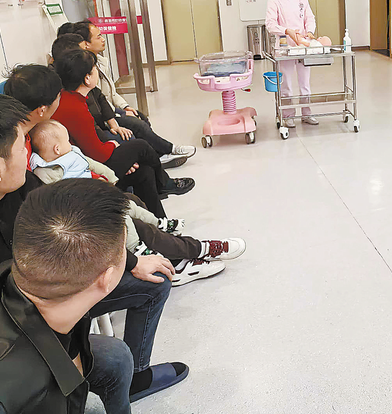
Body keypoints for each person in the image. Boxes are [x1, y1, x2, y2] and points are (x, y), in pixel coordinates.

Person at [0, 91, 188, 403]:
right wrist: (61, 352)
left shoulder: (19, 186)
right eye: (21, 147)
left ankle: (135, 379)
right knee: (112, 363)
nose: (28, 155)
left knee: (153, 283)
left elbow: (73, 223)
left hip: (54, 303)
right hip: (4, 354)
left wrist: (130, 261)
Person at [0, 179, 147, 414]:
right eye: (124, 250)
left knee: (114, 359)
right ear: (107, 279)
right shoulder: (19, 403)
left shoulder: (12, 278)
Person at [29, 119, 246, 286]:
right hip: (84, 215)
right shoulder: (44, 171)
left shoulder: (57, 148)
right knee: (134, 221)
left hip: (96, 195)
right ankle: (192, 254)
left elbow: (93, 160)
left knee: (135, 194)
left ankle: (169, 239)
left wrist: (109, 179)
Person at [52, 49, 194, 218]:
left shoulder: (69, 98)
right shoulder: (75, 108)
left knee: (144, 172)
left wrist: (123, 157)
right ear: (87, 78)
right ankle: (163, 183)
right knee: (140, 146)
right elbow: (97, 154)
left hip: (88, 162)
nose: (97, 71)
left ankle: (159, 222)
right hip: (88, 170)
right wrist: (114, 147)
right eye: (94, 68)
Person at [60, 21, 196, 168]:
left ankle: (159, 154)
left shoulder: (98, 63)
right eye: (98, 36)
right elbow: (95, 113)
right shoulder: (81, 75)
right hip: (104, 118)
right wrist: (115, 119)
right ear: (86, 44)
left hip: (108, 112)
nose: (103, 39)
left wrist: (124, 107)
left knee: (140, 117)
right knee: (135, 128)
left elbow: (106, 95)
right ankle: (165, 152)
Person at [265, 0, 320, 128]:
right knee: (286, 84)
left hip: (302, 45)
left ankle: (307, 113)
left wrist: (310, 31)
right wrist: (286, 31)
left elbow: (310, 18)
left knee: (305, 83)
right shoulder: (274, 1)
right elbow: (270, 25)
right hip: (285, 46)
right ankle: (288, 115)